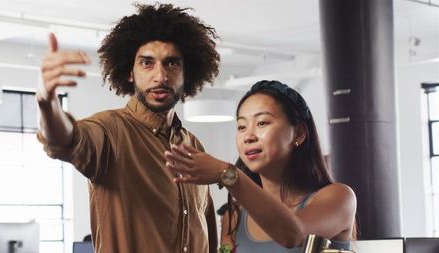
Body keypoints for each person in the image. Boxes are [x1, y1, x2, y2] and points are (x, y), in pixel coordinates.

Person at [36, 3, 220, 253]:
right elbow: (66, 140)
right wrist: (46, 103)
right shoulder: (109, 131)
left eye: (172, 64)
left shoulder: (193, 144)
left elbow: (206, 231)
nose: (160, 76)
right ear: (129, 72)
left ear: (186, 73)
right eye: (147, 63)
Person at [165, 80, 357, 252]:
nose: (248, 136)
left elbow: (295, 234)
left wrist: (229, 174)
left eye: (262, 123)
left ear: (299, 134)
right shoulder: (234, 216)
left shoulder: (339, 197)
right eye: (241, 126)